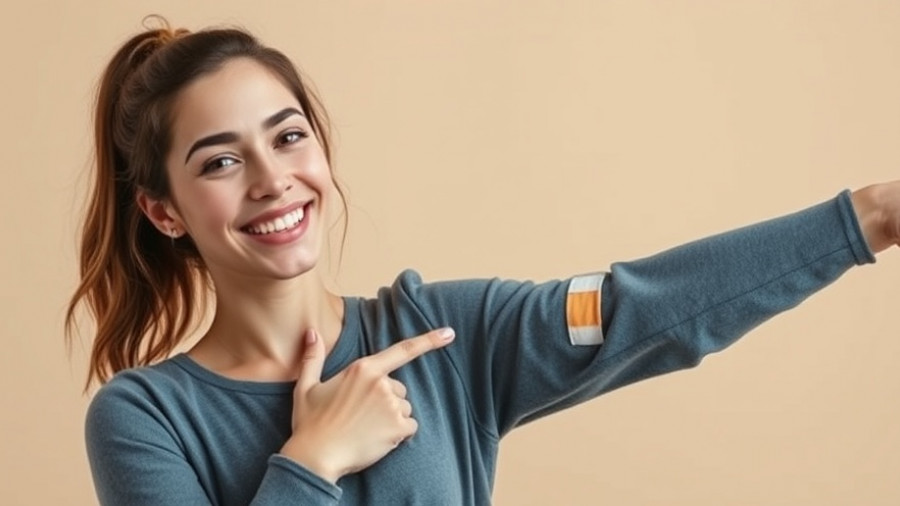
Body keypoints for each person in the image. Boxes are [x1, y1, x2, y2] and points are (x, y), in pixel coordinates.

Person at [66, 18, 899, 506]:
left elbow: (642, 307)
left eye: (288, 136)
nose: (273, 178)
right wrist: (311, 461)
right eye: (220, 160)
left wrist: (871, 216)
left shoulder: (446, 336)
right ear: (163, 210)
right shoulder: (145, 419)